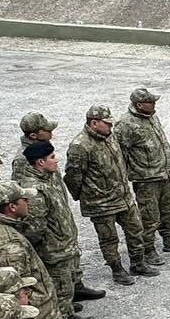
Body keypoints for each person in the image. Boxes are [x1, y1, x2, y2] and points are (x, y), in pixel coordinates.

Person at [65, 105, 158, 284]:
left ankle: (138, 263)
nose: (110, 126)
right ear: (94, 123)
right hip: (101, 203)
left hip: (123, 197)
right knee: (109, 239)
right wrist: (87, 196)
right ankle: (117, 270)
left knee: (136, 229)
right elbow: (73, 176)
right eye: (106, 123)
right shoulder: (80, 146)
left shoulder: (110, 137)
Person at [0, 181, 80, 319]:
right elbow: (18, 288)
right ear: (12, 207)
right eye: (24, 199)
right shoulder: (10, 244)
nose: (28, 202)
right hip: (36, 318)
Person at [16, 141, 92, 319]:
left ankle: (67, 315)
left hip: (61, 245)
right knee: (59, 287)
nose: (56, 160)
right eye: (52, 157)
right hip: (53, 249)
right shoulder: (34, 190)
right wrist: (49, 245)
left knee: (65, 284)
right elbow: (35, 228)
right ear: (40, 162)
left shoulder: (46, 179)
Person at [113, 87, 170, 257]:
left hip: (162, 174)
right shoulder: (126, 124)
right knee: (149, 216)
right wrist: (130, 174)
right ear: (140, 105)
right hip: (145, 178)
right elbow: (118, 153)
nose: (154, 104)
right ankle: (148, 249)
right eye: (150, 102)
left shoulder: (151, 116)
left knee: (169, 210)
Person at [12, 112, 56, 179]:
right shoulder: (23, 160)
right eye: (47, 131)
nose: (51, 133)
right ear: (33, 135)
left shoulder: (45, 148)